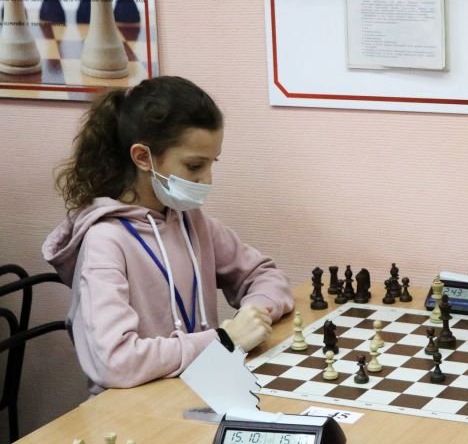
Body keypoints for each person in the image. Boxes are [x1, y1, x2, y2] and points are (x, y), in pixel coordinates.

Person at [42, 77, 294, 394]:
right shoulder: (104, 241)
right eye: (194, 166)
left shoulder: (190, 220)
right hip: (133, 406)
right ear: (143, 157)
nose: (206, 180)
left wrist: (254, 313)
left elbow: (264, 274)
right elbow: (115, 362)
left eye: (212, 163)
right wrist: (224, 340)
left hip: (199, 386)